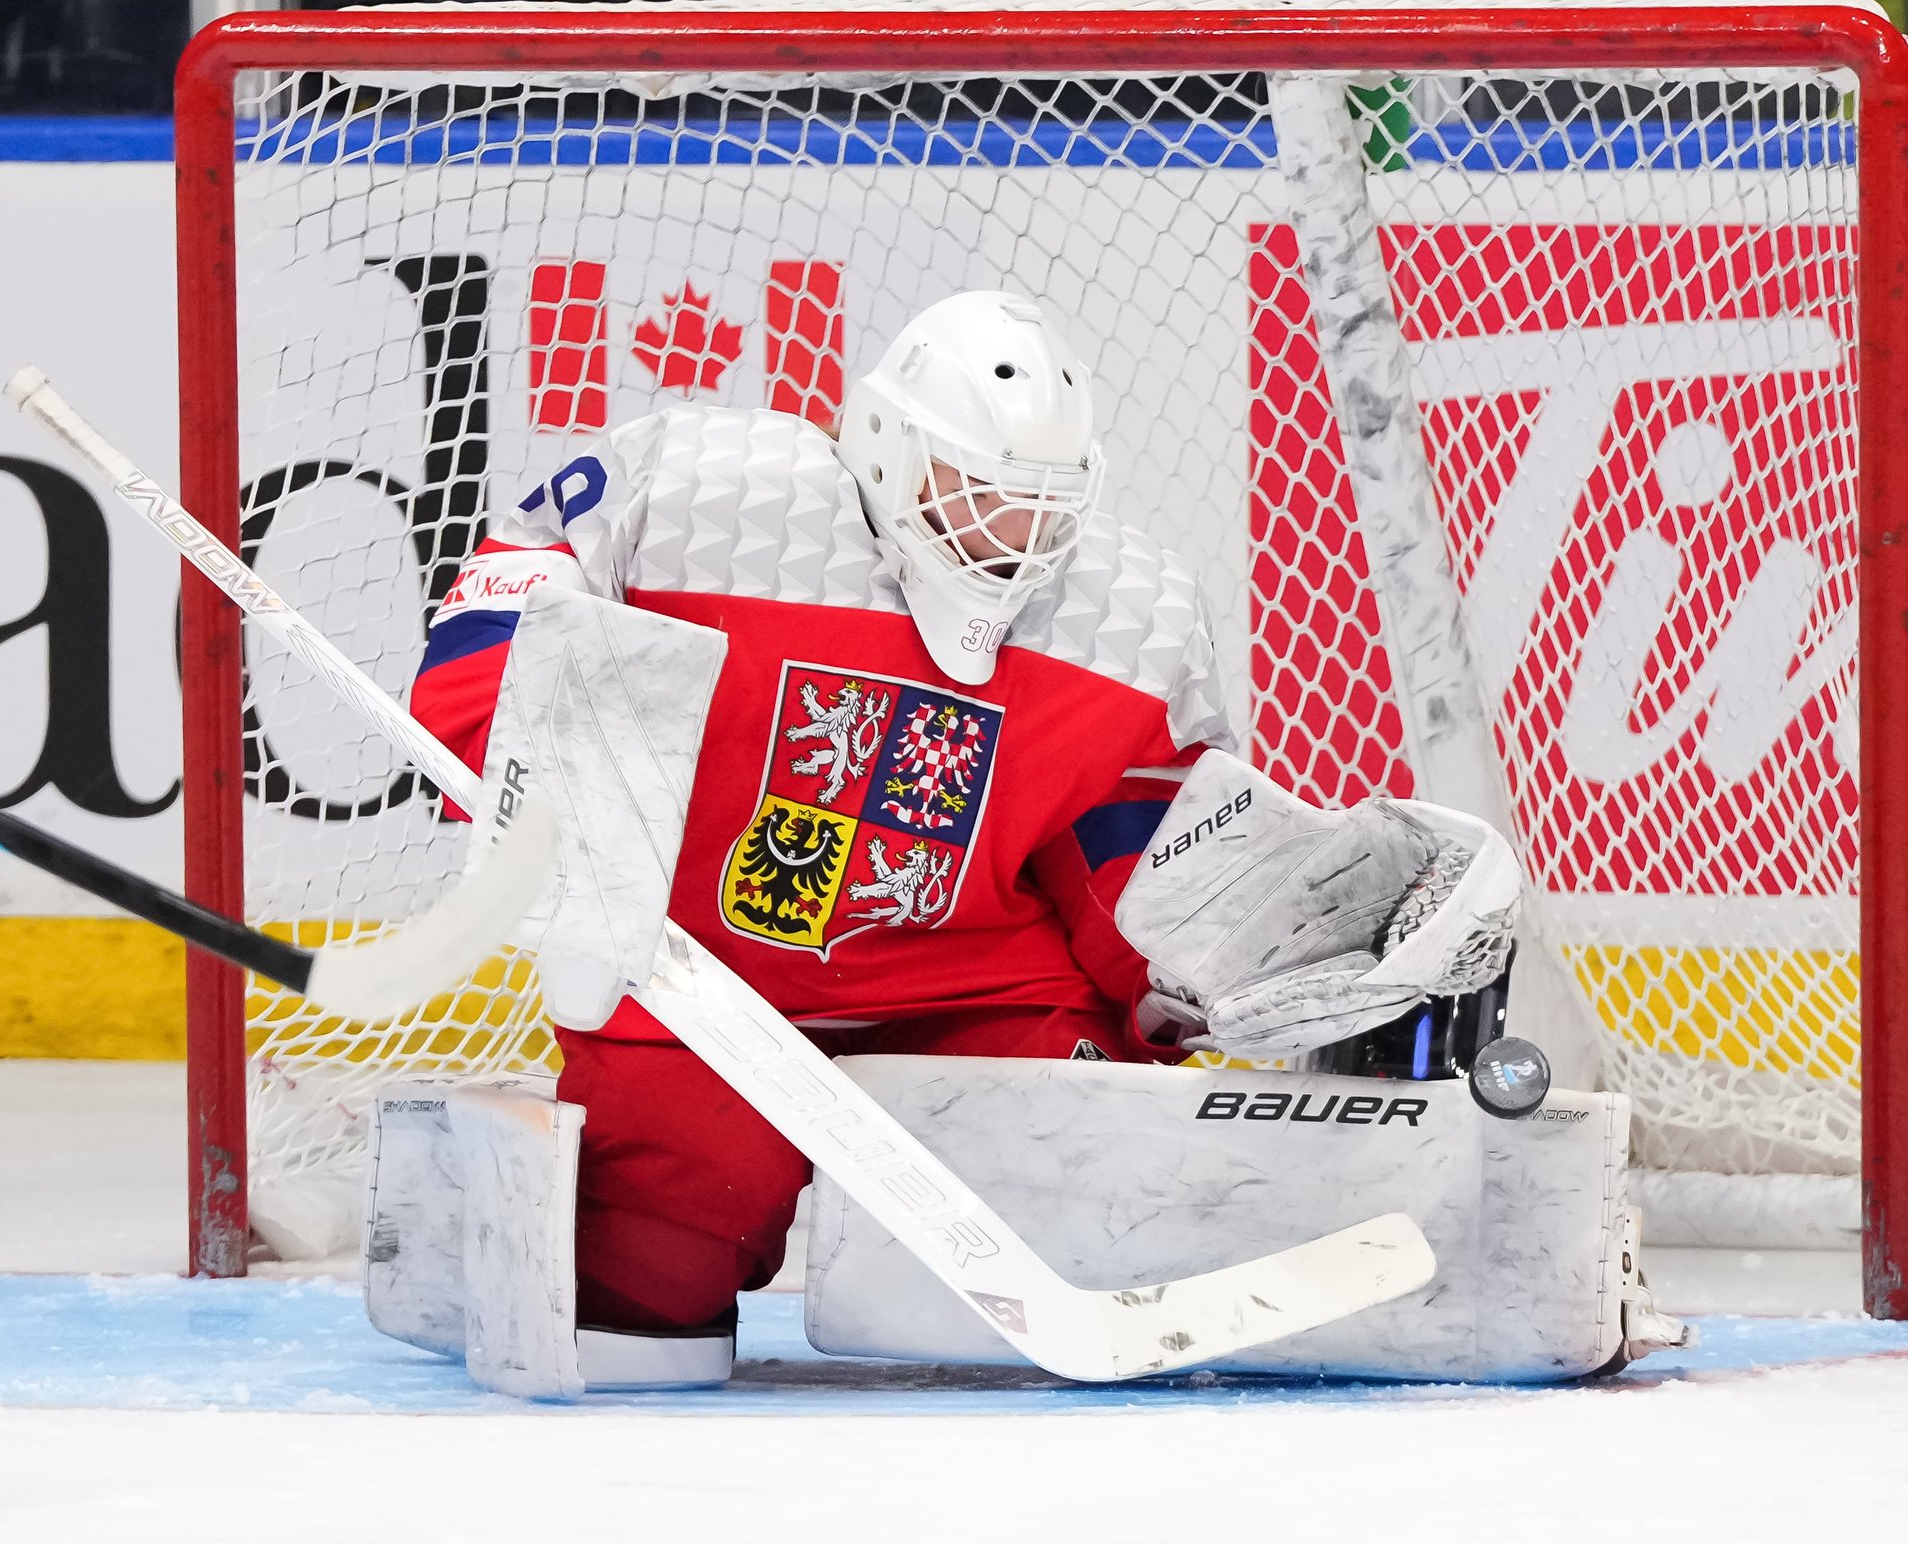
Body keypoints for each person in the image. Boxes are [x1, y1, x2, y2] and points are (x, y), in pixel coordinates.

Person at [405, 290, 1512, 1382]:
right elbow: (517, 583)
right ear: (888, 448)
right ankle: (498, 1222)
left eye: (1041, 502)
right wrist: (526, 754)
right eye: (981, 490)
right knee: (643, 1302)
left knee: (1100, 1197)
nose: (1012, 531)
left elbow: (1128, 847)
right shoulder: (703, 496)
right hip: (703, 984)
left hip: (970, 988)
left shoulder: (1130, 616)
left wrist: (1211, 973)